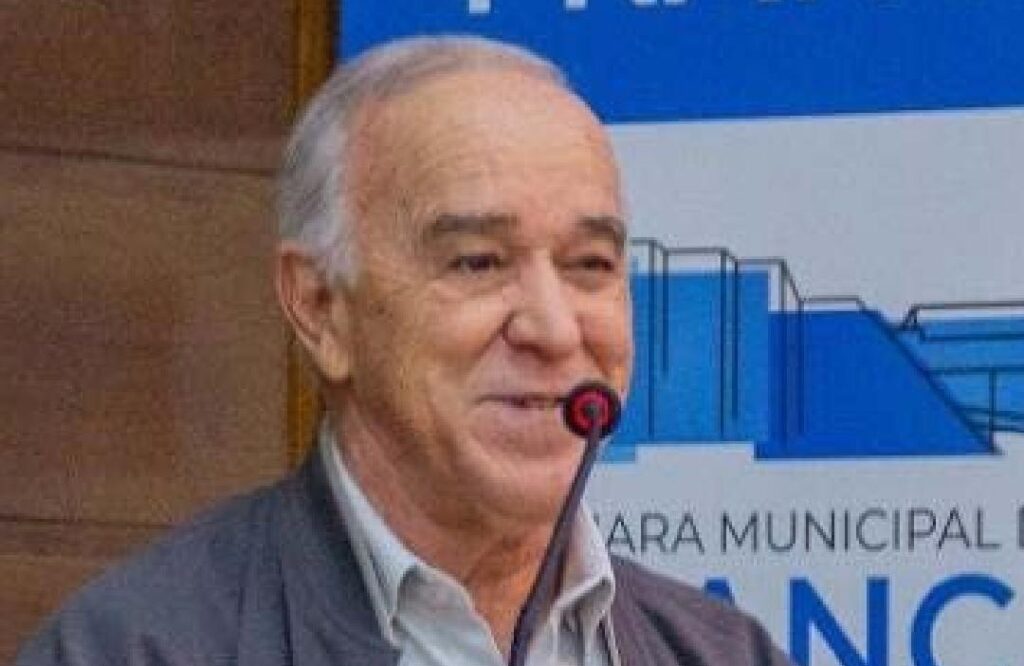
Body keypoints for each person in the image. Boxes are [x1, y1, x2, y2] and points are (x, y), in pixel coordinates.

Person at [17, 36, 792, 665]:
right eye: (478, 262)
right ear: (320, 308)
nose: (556, 330)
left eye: (589, 265)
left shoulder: (723, 652)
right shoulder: (136, 648)